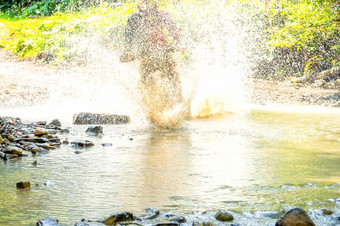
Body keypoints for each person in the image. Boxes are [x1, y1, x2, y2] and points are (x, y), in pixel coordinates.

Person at [120, 0, 183, 102]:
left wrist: (179, 43)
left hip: (163, 51)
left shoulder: (162, 16)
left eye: (148, 2)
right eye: (143, 2)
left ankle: (180, 102)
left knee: (173, 78)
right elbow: (128, 40)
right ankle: (149, 109)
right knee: (145, 82)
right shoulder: (134, 19)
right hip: (145, 54)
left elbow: (177, 34)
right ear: (138, 5)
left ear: (154, 4)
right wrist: (128, 52)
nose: (146, 5)